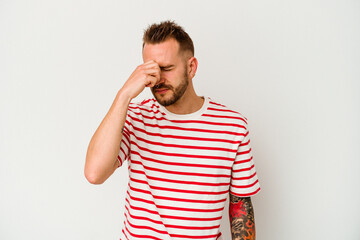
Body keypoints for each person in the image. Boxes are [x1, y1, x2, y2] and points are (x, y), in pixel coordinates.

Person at [84, 20, 261, 240]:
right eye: (150, 70)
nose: (157, 79)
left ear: (191, 67)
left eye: (166, 69)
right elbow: (94, 174)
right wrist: (124, 95)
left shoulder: (233, 126)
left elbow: (240, 209)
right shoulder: (135, 117)